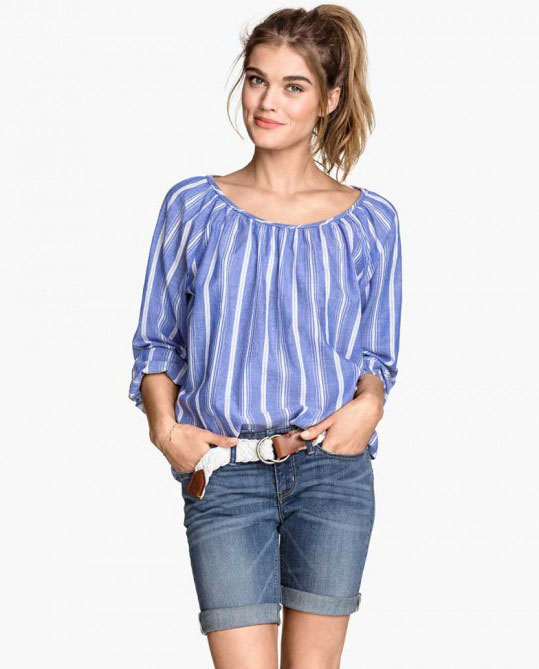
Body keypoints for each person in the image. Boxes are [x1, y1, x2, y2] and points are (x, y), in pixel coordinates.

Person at [128, 5, 402, 667]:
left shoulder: (371, 222)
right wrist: (167, 431)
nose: (267, 101)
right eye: (257, 80)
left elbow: (375, 355)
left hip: (332, 475)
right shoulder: (193, 207)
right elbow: (156, 345)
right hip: (226, 478)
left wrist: (369, 404)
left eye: (292, 86)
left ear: (329, 100)